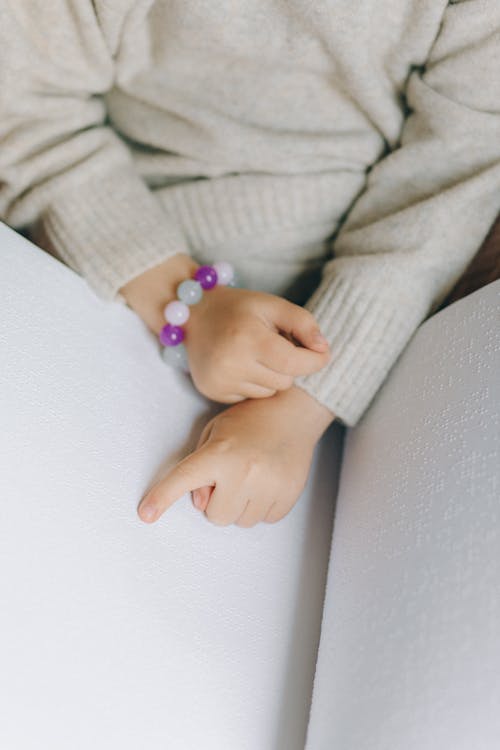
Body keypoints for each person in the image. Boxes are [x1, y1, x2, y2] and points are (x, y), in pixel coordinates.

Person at [1, 1, 499, 527]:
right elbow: (29, 114)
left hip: (366, 343)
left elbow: (447, 191)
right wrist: (184, 302)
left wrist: (301, 408)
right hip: (108, 270)